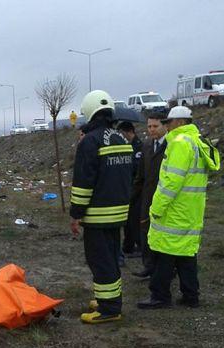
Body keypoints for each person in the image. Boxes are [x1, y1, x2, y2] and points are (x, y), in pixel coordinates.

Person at [137, 106, 220, 309]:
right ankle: (191, 296)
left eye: (168, 122)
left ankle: (160, 296)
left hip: (174, 210)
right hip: (191, 210)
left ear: (180, 122)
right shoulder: (197, 142)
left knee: (163, 255)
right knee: (186, 255)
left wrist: (156, 208)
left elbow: (170, 182)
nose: (167, 126)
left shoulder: (180, 144)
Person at [69, 90, 134, 324]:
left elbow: (83, 184)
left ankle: (109, 309)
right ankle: (109, 298)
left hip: (97, 216)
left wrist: (76, 214)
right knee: (111, 257)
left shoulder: (90, 142)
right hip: (118, 213)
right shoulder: (121, 138)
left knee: (100, 260)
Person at [132, 113, 168, 278]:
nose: (152, 130)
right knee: (145, 230)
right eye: (149, 126)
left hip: (165, 198)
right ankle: (148, 266)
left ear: (164, 126)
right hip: (147, 197)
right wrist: (131, 197)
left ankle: (166, 268)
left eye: (155, 126)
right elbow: (140, 176)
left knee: (163, 234)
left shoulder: (172, 145)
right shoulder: (146, 146)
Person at [117, 121, 143, 258]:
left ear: (128, 132)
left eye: (122, 133)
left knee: (134, 219)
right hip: (128, 187)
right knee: (127, 219)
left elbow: (137, 168)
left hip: (137, 189)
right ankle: (128, 246)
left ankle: (139, 246)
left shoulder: (139, 147)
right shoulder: (128, 146)